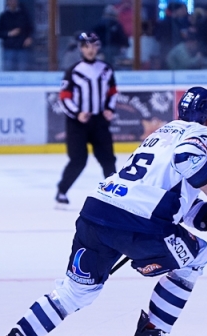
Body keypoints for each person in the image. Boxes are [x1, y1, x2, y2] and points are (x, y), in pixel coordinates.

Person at [0, 87, 207, 336]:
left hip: (97, 214)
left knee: (74, 293)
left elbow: (175, 200)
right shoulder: (205, 136)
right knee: (196, 257)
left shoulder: (160, 135)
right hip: (140, 225)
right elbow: (188, 159)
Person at [56, 33, 118, 207]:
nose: (91, 50)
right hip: (78, 124)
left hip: (99, 121)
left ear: (98, 47)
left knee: (108, 159)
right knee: (78, 160)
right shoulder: (73, 71)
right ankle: (62, 191)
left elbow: (112, 92)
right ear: (81, 48)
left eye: (94, 46)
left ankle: (114, 194)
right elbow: (64, 97)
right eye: (86, 46)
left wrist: (109, 109)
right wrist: (77, 113)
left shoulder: (106, 69)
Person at [0, 0, 34, 71]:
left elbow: (31, 29)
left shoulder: (24, 15)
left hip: (23, 49)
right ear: (7, 3)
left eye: (14, 1)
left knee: (23, 73)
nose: (13, 2)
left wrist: (29, 38)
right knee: (9, 73)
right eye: (10, 1)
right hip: (9, 49)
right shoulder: (3, 16)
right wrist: (9, 33)